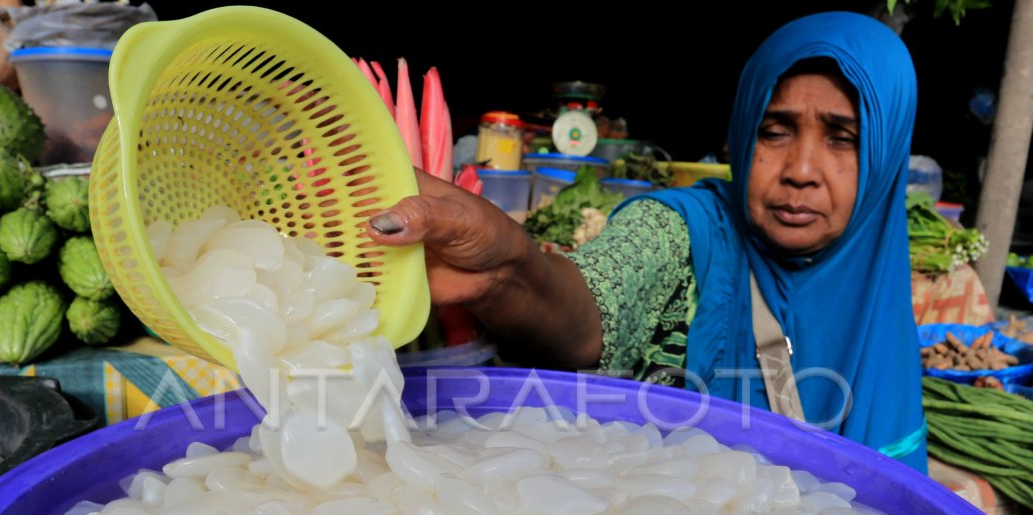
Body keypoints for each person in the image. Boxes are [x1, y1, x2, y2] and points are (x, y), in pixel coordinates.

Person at [367, 11, 928, 472]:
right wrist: (510, 269)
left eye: (843, 138)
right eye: (774, 131)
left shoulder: (879, 278)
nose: (801, 169)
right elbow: (591, 304)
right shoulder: (682, 231)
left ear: (886, 156)